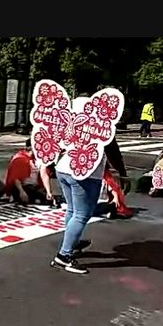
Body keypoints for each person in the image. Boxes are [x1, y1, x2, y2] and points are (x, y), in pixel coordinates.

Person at [51, 98, 105, 275]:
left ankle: (71, 243)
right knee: (82, 214)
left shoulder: (68, 123)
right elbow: (111, 148)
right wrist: (122, 173)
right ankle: (64, 256)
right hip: (84, 174)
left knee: (73, 211)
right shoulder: (98, 126)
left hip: (63, 169)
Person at [4, 139, 50, 205]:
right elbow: (15, 178)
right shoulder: (19, 158)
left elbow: (44, 174)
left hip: (35, 186)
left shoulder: (39, 158)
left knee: (48, 199)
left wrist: (48, 191)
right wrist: (21, 191)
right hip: (23, 187)